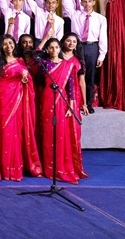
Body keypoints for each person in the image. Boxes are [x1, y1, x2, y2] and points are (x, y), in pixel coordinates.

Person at [38, 38, 87, 184]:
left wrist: (71, 106)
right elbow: (36, 53)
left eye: (56, 47)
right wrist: (45, 40)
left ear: (60, 48)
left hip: (62, 100)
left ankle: (60, 166)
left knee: (60, 133)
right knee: (48, 133)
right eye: (51, 47)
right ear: (47, 49)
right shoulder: (44, 63)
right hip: (47, 99)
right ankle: (49, 168)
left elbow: (70, 86)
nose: (54, 50)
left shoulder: (67, 65)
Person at [0, 35, 42, 181]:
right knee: (4, 131)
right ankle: (3, 168)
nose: (8, 46)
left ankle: (15, 168)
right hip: (3, 101)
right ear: (1, 46)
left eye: (10, 43)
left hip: (17, 101)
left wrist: (25, 79)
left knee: (16, 132)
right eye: (5, 44)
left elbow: (27, 81)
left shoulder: (20, 61)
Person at [61, 0, 106, 113]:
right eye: (84, 2)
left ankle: (88, 103)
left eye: (90, 1)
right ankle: (74, 102)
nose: (87, 4)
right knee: (75, 74)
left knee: (90, 76)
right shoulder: (75, 15)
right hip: (77, 46)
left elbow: (103, 38)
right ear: (81, 3)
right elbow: (66, 2)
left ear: (94, 2)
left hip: (92, 47)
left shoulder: (101, 19)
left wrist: (101, 56)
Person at [61, 33, 89, 180]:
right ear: (63, 42)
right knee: (60, 129)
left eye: (74, 41)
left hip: (75, 96)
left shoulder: (78, 60)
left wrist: (84, 103)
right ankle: (59, 163)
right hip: (59, 95)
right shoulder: (57, 56)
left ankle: (73, 163)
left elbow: (82, 82)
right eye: (68, 41)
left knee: (73, 129)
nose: (71, 43)